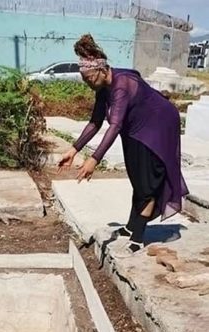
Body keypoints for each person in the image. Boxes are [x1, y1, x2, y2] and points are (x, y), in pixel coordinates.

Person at [58, 34, 188, 255]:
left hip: (158, 126)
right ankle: (131, 226)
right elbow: (95, 122)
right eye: (85, 80)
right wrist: (73, 149)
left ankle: (138, 237)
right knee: (137, 176)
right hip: (136, 127)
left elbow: (115, 125)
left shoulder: (121, 86)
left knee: (147, 184)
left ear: (101, 70)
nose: (88, 84)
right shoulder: (103, 89)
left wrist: (94, 160)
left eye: (89, 79)